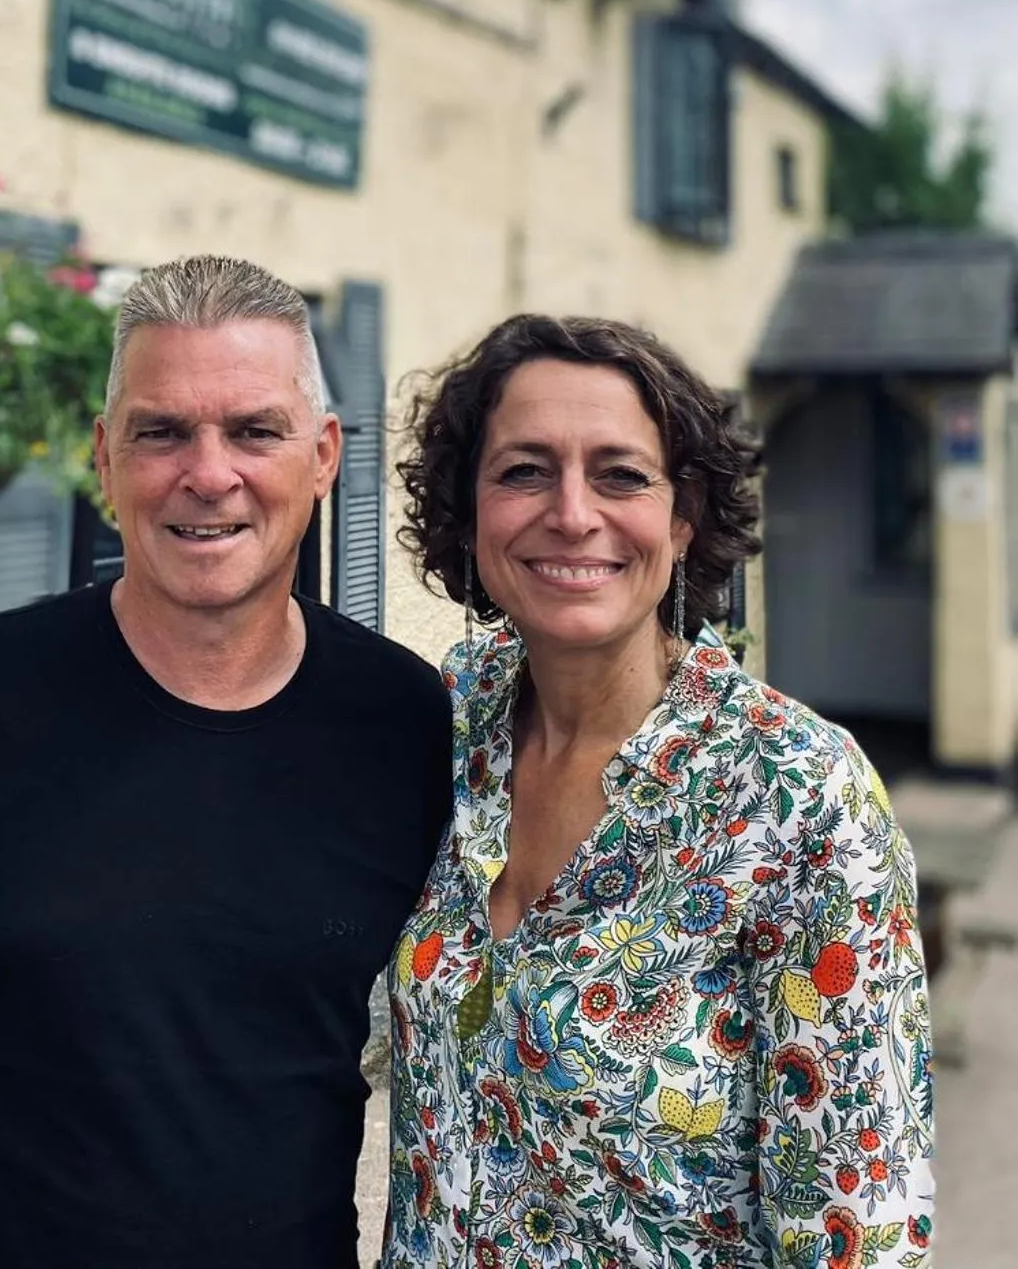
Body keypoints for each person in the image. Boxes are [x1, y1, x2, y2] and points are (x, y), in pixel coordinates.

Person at [0, 254, 452, 1269]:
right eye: (161, 430)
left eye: (254, 430)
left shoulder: (405, 720)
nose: (207, 473)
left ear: (323, 454)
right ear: (103, 455)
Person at [383, 314, 934, 1269]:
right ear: (470, 512)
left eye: (620, 474)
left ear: (683, 520)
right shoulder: (447, 724)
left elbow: (858, 1225)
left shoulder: (798, 797)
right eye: (523, 470)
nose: (571, 512)